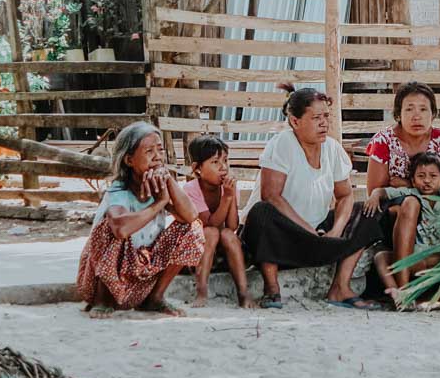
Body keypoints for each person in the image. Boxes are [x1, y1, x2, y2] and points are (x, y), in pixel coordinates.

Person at [241, 84, 383, 310]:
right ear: (295, 122)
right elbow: (271, 195)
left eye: (326, 116)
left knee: (365, 212)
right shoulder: (283, 143)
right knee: (261, 212)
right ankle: (272, 289)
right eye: (316, 117)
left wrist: (335, 230)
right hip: (282, 239)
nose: (324, 123)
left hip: (320, 237)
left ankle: (340, 288)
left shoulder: (333, 149)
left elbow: (345, 195)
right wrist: (307, 229)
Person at [77, 122, 205, 319]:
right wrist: (160, 203)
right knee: (110, 227)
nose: (157, 157)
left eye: (160, 150)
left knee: (192, 228)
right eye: (149, 151)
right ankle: (102, 301)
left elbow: (190, 216)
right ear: (129, 160)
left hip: (141, 277)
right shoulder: (119, 190)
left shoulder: (159, 182)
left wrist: (168, 180)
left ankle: (154, 299)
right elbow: (120, 229)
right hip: (107, 281)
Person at [363, 152, 440, 308]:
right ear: (413, 182)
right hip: (415, 258)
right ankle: (398, 293)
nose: (427, 181)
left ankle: (438, 299)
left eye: (433, 176)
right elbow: (384, 191)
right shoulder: (411, 193)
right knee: (381, 257)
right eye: (421, 176)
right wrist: (375, 195)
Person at [184, 135, 256, 309]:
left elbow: (232, 226)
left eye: (225, 160)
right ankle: (201, 291)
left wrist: (230, 195)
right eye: (215, 162)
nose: (223, 167)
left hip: (224, 253)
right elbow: (210, 223)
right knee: (211, 232)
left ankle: (243, 293)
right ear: (197, 169)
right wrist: (227, 198)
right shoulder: (191, 189)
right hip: (199, 252)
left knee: (227, 234)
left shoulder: (229, 188)